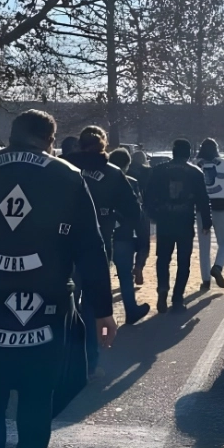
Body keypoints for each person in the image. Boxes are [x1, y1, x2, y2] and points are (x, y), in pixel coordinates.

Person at [0, 110, 117, 448]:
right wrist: (103, 310)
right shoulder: (67, 176)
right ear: (50, 140)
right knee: (37, 401)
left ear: (12, 135)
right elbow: (91, 248)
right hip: (45, 310)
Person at [64, 126, 140, 377]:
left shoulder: (62, 167)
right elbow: (134, 211)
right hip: (98, 246)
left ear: (79, 144)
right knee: (94, 305)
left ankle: (65, 359)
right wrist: (114, 218)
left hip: (62, 246)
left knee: (64, 302)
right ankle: (91, 360)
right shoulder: (113, 173)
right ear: (104, 146)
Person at [144, 139, 212, 313]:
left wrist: (152, 214)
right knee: (183, 261)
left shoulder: (159, 170)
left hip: (165, 220)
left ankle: (162, 289)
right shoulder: (195, 172)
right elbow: (203, 199)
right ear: (188, 153)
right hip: (184, 220)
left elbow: (148, 194)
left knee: (163, 259)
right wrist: (206, 222)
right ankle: (177, 298)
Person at [107, 148, 151, 324]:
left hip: (103, 232)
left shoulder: (97, 180)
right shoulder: (131, 183)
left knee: (98, 275)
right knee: (125, 275)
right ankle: (130, 310)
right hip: (124, 234)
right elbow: (137, 210)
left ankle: (97, 314)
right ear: (127, 165)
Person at [195, 139, 224, 290]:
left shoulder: (197, 165)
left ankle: (206, 280)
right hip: (220, 207)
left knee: (204, 247)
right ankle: (218, 266)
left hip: (202, 210)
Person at [127, 151, 153, 286]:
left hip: (127, 211)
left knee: (128, 241)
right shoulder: (148, 172)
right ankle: (139, 266)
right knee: (144, 243)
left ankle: (128, 269)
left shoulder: (127, 171)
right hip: (144, 210)